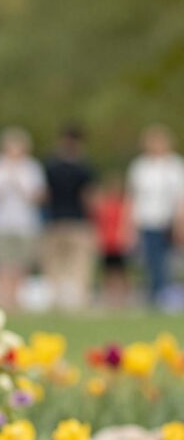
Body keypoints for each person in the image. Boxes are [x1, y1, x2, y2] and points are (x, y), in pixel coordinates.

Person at [0, 127, 46, 311]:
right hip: (0, 223)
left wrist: (19, 181)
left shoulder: (31, 167)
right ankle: (1, 298)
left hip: (24, 224)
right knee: (0, 263)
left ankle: (16, 298)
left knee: (21, 264)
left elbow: (38, 195)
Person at [126, 124, 184, 308]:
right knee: (150, 260)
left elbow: (179, 197)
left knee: (165, 261)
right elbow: (132, 198)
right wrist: (129, 225)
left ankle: (163, 295)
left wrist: (179, 223)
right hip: (146, 220)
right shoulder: (139, 166)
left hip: (167, 221)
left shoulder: (175, 165)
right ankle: (154, 295)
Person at [41, 125, 96, 310]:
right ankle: (78, 302)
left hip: (55, 220)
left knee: (55, 266)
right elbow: (88, 197)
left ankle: (55, 301)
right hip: (77, 222)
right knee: (79, 265)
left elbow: (44, 196)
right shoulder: (84, 168)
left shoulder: (51, 167)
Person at [92, 171, 134, 309]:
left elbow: (126, 222)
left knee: (121, 271)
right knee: (107, 271)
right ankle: (109, 298)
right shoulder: (103, 204)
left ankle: (122, 299)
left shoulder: (123, 204)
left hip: (118, 242)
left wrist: (126, 236)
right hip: (107, 242)